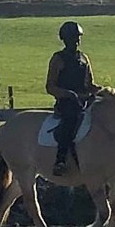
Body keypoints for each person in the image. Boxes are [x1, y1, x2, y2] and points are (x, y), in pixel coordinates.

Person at [44, 20, 97, 174]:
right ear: (66, 39)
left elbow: (90, 84)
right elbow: (50, 86)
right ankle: (60, 160)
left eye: (78, 37)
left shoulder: (84, 58)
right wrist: (68, 94)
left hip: (84, 101)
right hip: (67, 103)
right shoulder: (58, 59)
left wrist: (104, 92)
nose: (77, 40)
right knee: (71, 119)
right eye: (74, 37)